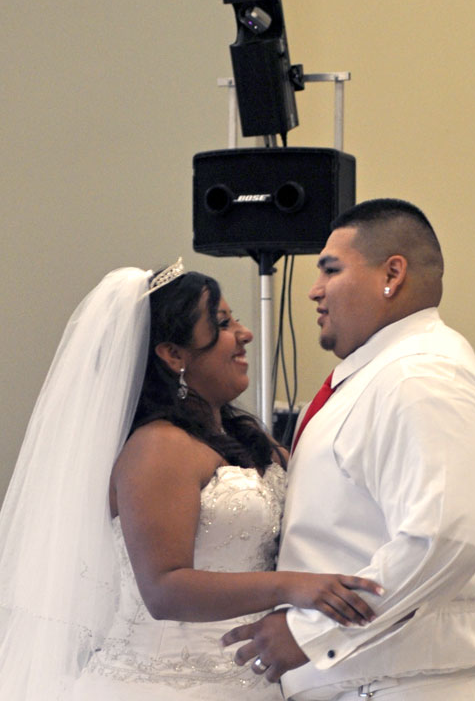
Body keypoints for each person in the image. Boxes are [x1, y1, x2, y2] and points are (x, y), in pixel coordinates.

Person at [0, 259, 381, 700]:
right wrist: (294, 586)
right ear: (173, 354)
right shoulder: (158, 447)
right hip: (161, 684)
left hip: (255, 681)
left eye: (235, 319)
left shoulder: (250, 439)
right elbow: (164, 589)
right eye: (222, 323)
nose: (245, 333)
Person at [223, 199, 475, 700]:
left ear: (392, 273)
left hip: (417, 682)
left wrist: (310, 631)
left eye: (331, 270)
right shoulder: (382, 374)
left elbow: (444, 538)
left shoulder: (422, 376)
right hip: (378, 677)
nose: (314, 290)